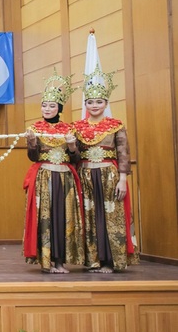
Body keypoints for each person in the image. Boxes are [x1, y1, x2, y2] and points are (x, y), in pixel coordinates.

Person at [75, 65, 138, 272]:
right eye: (90, 102)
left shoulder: (116, 125)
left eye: (99, 102)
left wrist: (122, 179)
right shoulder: (77, 127)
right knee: (89, 216)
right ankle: (93, 259)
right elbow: (74, 155)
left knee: (110, 216)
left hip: (109, 176)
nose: (95, 105)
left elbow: (123, 153)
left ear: (106, 103)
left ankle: (111, 261)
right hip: (85, 175)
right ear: (85, 104)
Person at [23, 70, 84, 274]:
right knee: (46, 218)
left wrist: (73, 146)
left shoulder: (70, 129)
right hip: (44, 177)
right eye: (44, 105)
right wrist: (32, 144)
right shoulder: (35, 128)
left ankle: (61, 261)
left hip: (65, 178)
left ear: (59, 108)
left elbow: (76, 159)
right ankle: (47, 261)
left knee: (64, 217)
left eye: (51, 106)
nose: (47, 109)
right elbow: (33, 157)